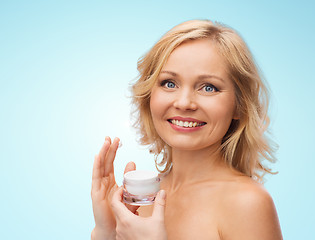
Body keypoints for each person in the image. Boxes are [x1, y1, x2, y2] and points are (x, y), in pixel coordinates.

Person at [91, 19, 282, 240]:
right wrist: (106, 232)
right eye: (169, 83)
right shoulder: (139, 198)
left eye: (208, 87)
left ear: (239, 105)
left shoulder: (247, 202)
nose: (184, 103)